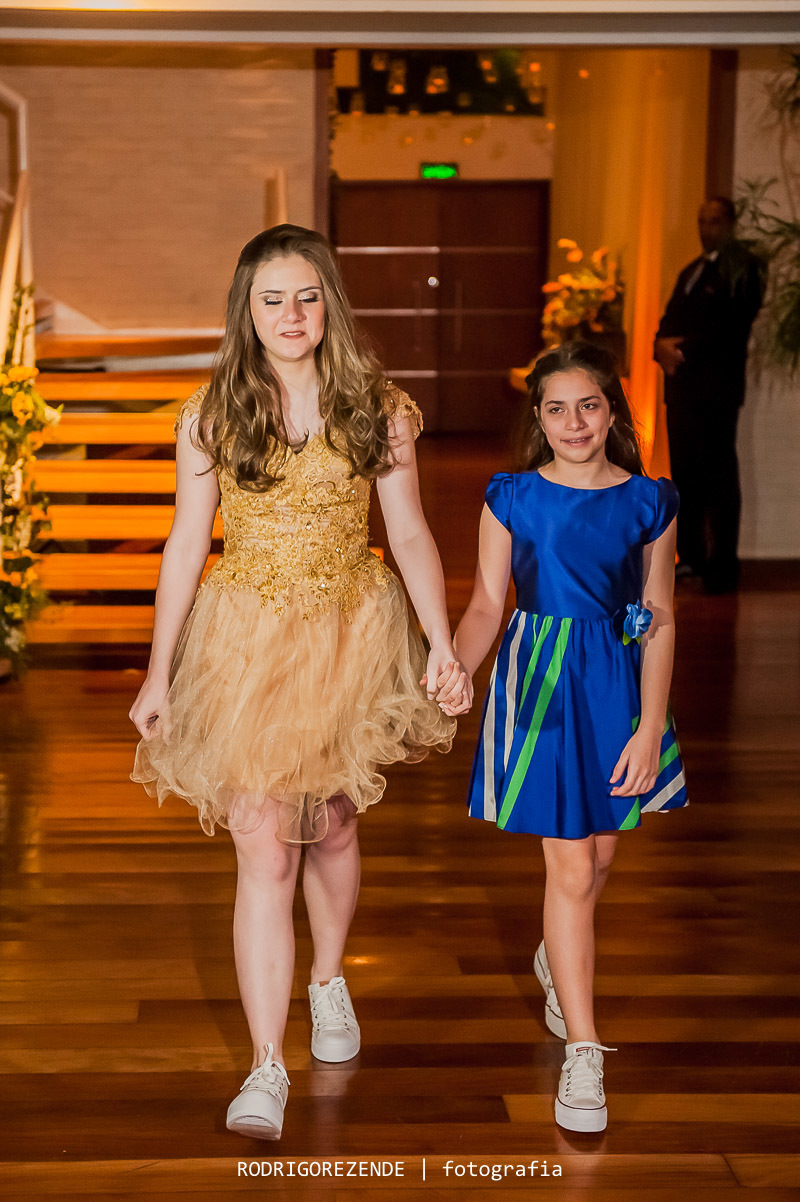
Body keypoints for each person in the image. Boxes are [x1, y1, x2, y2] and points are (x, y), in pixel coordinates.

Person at [129, 224, 472, 1141]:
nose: (292, 314)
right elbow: (182, 546)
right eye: (273, 298)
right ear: (246, 308)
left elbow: (407, 536)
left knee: (331, 826)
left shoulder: (377, 407)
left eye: (307, 296)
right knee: (263, 847)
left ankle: (328, 977)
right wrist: (157, 671)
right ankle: (265, 1066)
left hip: (349, 632)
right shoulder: (212, 413)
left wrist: (441, 643)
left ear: (331, 303)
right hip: (243, 639)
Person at [452, 340, 688, 1133]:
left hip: (617, 688)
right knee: (573, 861)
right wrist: (454, 667)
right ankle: (583, 1053)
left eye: (588, 404)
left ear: (612, 410)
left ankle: (559, 953)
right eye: (556, 408)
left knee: (603, 856)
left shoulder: (650, 501)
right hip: (541, 688)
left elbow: (658, 616)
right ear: (538, 418)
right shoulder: (511, 496)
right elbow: (489, 603)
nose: (574, 421)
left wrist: (651, 726)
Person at [654, 196, 764, 593]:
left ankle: (721, 566)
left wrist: (678, 351)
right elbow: (666, 321)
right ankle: (693, 558)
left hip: (716, 390)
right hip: (681, 389)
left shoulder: (745, 270)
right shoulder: (692, 271)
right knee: (686, 474)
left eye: (715, 221)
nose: (706, 229)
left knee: (718, 475)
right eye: (702, 221)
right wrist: (658, 347)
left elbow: (730, 331)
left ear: (732, 224)